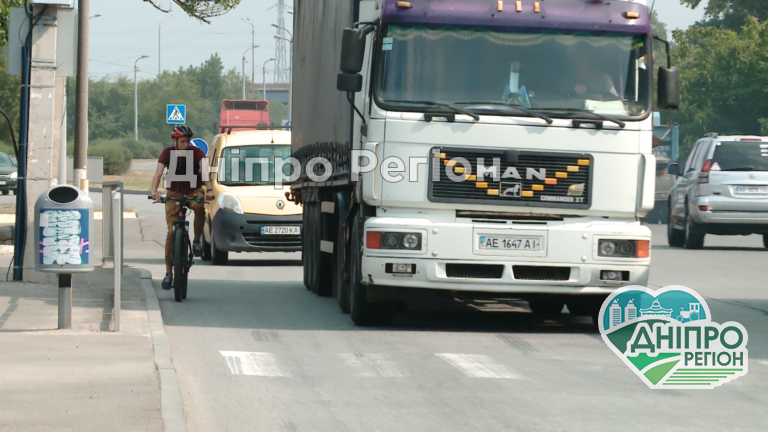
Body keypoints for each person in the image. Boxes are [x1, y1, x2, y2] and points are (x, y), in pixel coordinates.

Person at [151, 125, 214, 289]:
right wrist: (154, 191)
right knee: (172, 233)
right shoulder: (167, 153)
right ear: (175, 141)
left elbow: (205, 171)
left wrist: (209, 190)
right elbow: (158, 173)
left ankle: (196, 241)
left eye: (188, 141)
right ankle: (168, 273)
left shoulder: (196, 153)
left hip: (194, 190)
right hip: (174, 193)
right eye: (182, 141)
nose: (186, 144)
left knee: (199, 206)